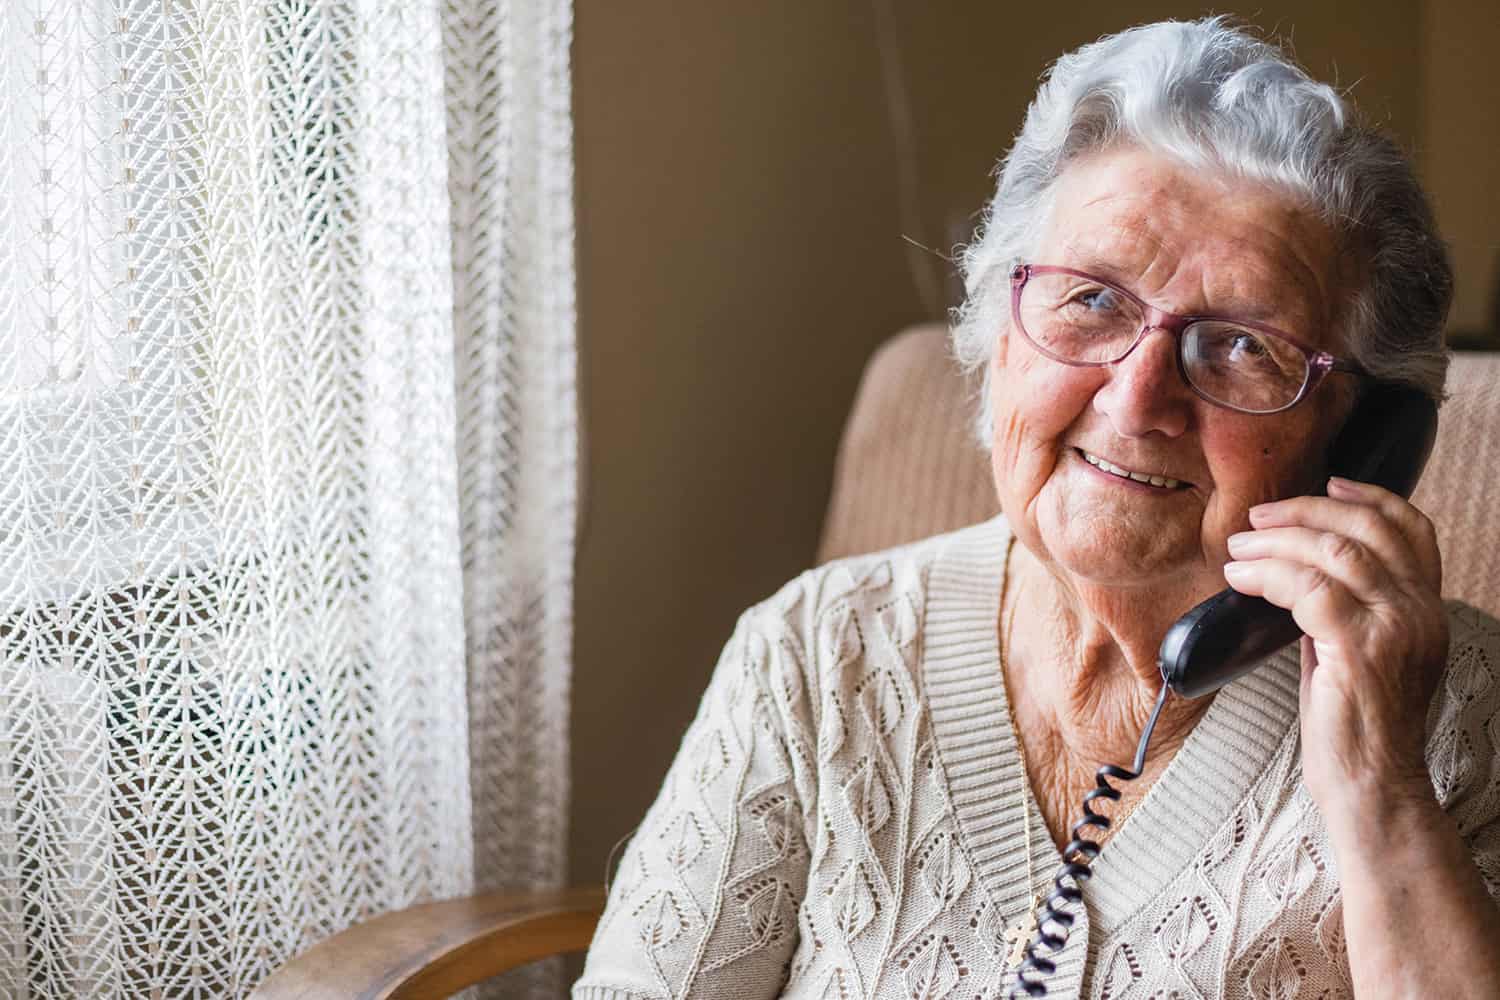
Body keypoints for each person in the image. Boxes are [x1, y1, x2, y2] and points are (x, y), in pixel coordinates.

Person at [571, 18, 1500, 999]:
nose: (1138, 398)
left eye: (1239, 346)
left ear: (1362, 440)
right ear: (1000, 334)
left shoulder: (1461, 717)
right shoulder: (814, 658)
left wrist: (1383, 793)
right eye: (1091, 300)